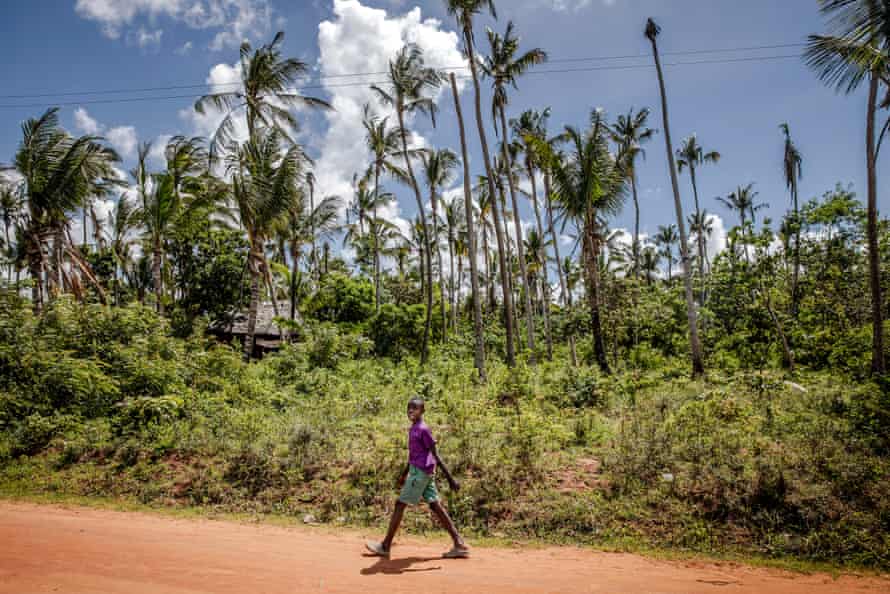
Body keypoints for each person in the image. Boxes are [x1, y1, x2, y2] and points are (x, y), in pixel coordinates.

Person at [365, 397, 469, 559]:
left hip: (421, 473)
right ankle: (459, 543)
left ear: (422, 411)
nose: (411, 411)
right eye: (409, 408)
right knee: (435, 505)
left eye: (415, 408)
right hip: (419, 471)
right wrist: (404, 473)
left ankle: (385, 546)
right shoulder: (413, 428)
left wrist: (450, 479)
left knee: (400, 504)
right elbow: (414, 454)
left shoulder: (423, 429)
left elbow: (435, 454)